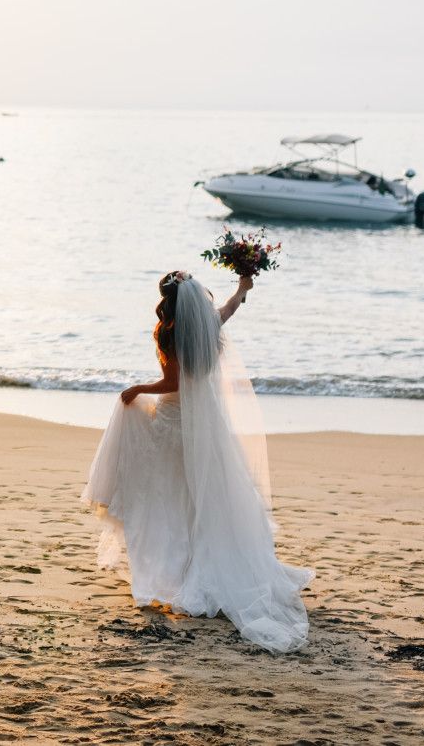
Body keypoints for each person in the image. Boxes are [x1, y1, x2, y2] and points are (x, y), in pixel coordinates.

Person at [82, 269, 313, 653]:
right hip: (206, 426)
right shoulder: (207, 325)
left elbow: (174, 383)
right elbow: (228, 309)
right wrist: (243, 286)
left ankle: (173, 569)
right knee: (202, 497)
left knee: (166, 498)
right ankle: (198, 563)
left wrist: (138, 388)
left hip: (175, 423)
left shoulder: (169, 331)